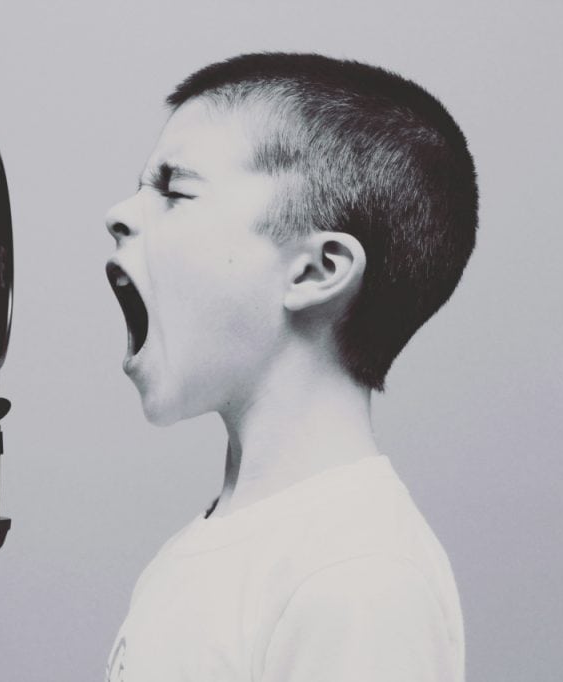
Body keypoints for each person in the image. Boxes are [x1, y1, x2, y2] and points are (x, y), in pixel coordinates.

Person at [104, 53, 477, 682]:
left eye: (174, 189)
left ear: (316, 270)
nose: (119, 213)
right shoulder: (209, 548)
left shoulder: (357, 578)